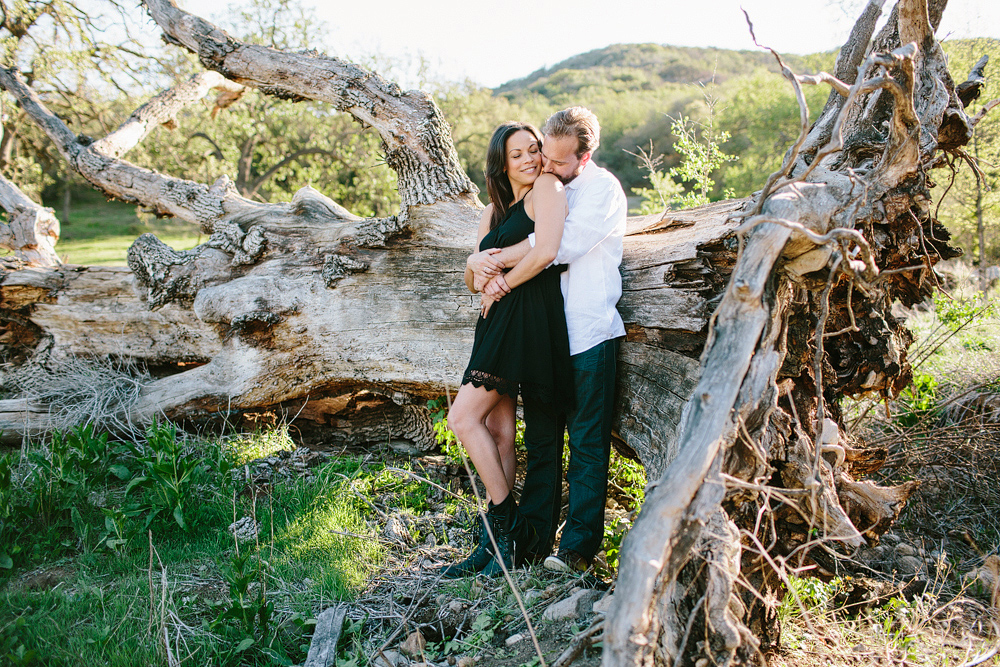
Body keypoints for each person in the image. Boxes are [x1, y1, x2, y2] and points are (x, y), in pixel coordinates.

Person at [478, 107, 627, 573]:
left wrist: (498, 262)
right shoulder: (547, 186)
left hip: (589, 334)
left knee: (586, 443)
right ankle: (531, 543)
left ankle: (576, 550)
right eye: (544, 152)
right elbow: (536, 237)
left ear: (586, 155)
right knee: (542, 443)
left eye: (558, 161)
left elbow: (559, 246)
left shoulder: (601, 189)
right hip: (547, 338)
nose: (546, 164)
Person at [442, 121, 573, 578]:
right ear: (501, 163)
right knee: (498, 430)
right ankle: (496, 546)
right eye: (517, 154)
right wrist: (475, 265)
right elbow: (473, 277)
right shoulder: (495, 210)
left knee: (462, 417)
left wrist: (496, 273)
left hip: (527, 316)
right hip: (495, 320)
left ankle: (505, 524)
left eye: (534, 149)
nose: (529, 159)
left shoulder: (547, 189)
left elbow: (547, 251)